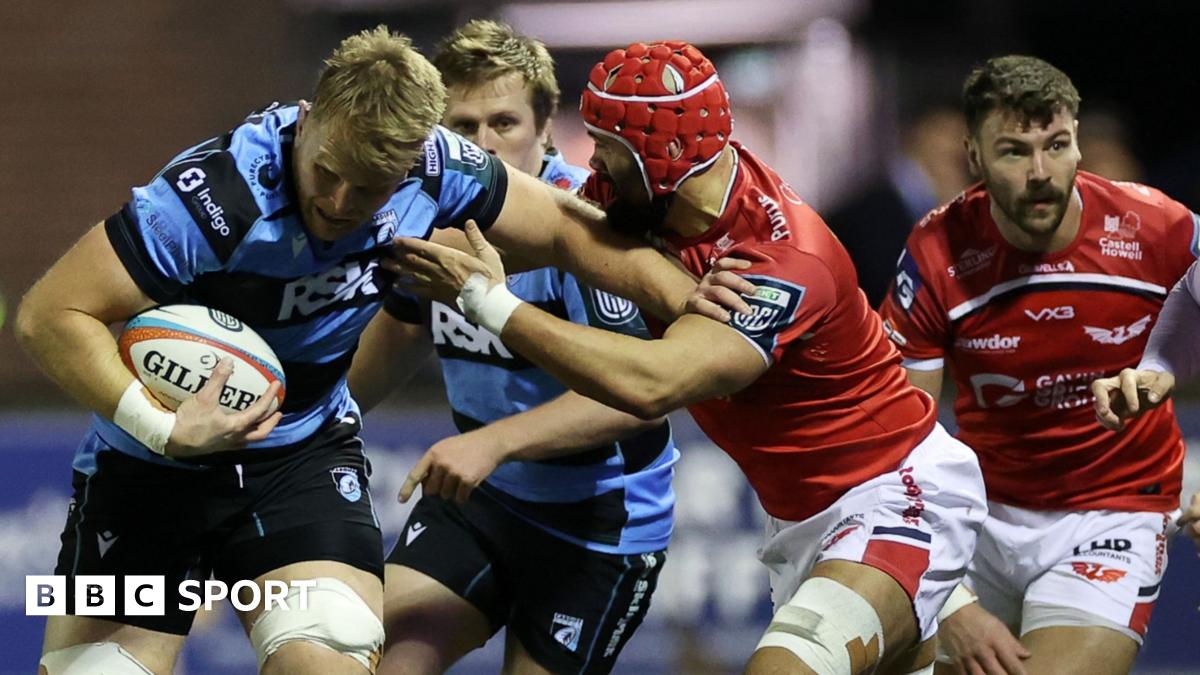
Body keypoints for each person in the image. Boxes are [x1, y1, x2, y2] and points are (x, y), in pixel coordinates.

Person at [14, 26, 715, 675]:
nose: (343, 201)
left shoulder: (441, 170)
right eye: (330, 171)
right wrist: (162, 426)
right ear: (307, 114)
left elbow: (570, 230)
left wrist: (695, 300)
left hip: (301, 458)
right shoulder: (210, 198)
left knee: (333, 662)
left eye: (372, 185)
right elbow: (49, 314)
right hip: (144, 472)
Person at [392, 40, 988, 675]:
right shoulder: (654, 201)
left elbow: (654, 384)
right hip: (799, 517)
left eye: (610, 150)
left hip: (892, 492)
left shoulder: (780, 262)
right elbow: (545, 221)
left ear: (665, 157)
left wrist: (490, 304)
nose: (595, 163)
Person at [348, 20, 675, 675]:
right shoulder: (422, 213)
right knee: (368, 660)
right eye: (463, 128)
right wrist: (298, 423)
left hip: (598, 520)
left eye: (504, 122)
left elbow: (641, 396)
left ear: (546, 129)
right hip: (480, 502)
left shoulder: (585, 225)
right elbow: (404, 328)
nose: (484, 146)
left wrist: (493, 441)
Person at [877, 55, 1199, 675]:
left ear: (1078, 140)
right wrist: (952, 603)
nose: (1042, 174)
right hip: (979, 521)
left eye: (1057, 145)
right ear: (973, 156)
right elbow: (898, 441)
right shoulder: (936, 251)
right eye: (1014, 151)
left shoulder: (1157, 228)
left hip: (1115, 511)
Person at [826, 103, 970, 307]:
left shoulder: (963, 208)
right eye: (952, 134)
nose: (960, 149)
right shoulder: (862, 216)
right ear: (920, 133)